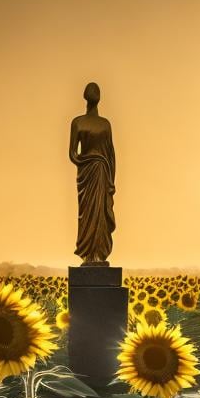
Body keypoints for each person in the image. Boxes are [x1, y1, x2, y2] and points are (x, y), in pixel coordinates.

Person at [69, 82, 116, 265]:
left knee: (99, 212)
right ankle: (90, 254)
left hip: (99, 172)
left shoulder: (101, 124)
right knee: (88, 212)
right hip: (91, 174)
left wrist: (90, 160)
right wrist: (94, 161)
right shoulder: (81, 123)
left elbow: (74, 155)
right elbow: (73, 154)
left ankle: (97, 254)